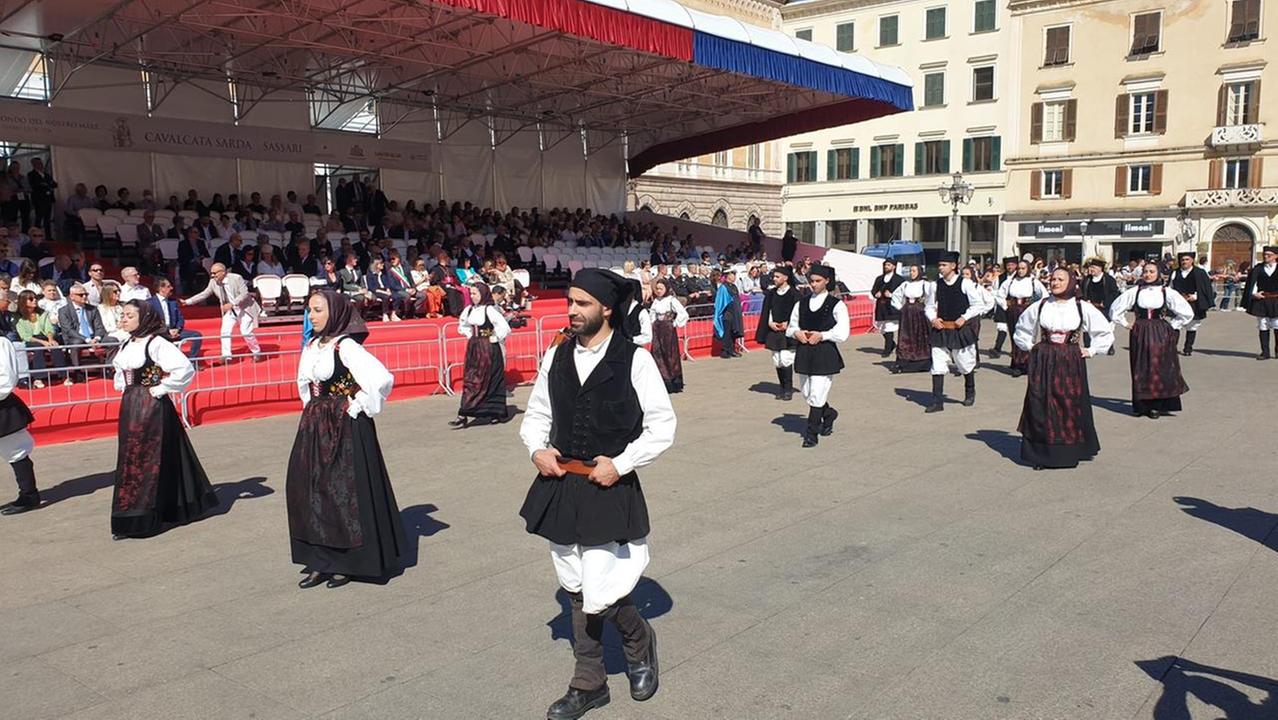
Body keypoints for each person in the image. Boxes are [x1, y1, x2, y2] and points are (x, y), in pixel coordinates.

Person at [518, 268, 674, 719]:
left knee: (602, 586)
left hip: (609, 483)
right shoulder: (557, 356)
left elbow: (663, 425)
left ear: (606, 308)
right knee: (574, 583)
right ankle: (591, 684)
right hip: (560, 484)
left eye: (582, 303)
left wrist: (621, 463)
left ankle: (637, 644)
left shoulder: (635, 359)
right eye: (570, 301)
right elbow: (537, 416)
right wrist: (536, 450)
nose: (572, 309)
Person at [288, 290, 403, 588]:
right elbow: (306, 385)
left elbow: (381, 379)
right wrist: (313, 412)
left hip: (345, 426)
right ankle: (319, 558)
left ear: (335, 312)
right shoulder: (312, 345)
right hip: (315, 425)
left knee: (344, 490)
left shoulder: (345, 346)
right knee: (312, 489)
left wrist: (355, 405)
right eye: (309, 310)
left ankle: (347, 560)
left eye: (317, 310)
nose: (311, 316)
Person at [110, 300, 217, 539]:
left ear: (144, 318)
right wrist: (124, 385)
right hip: (130, 404)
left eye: (129, 315)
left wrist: (160, 388)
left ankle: (147, 516)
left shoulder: (155, 343)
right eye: (123, 314)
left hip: (150, 405)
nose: (124, 318)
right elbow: (122, 373)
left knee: (149, 459)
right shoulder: (127, 342)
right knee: (131, 457)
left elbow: (184, 369)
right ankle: (131, 514)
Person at [1013, 268, 1113, 470]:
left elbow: (1104, 331)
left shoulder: (1081, 306)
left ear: (1071, 282)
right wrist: (1031, 346)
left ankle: (1067, 452)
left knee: (1068, 403)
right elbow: (1021, 329)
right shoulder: (1040, 305)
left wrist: (1092, 350)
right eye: (1053, 279)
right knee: (1040, 403)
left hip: (1070, 360)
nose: (1055, 282)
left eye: (1060, 279)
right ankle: (1041, 454)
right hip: (1044, 359)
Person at [1110, 263, 1194, 419]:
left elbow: (1186, 312)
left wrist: (1173, 325)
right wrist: (1126, 323)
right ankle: (1143, 405)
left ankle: (1159, 404)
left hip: (1160, 332)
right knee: (1141, 366)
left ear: (1158, 273)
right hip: (1140, 331)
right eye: (1145, 272)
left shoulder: (1165, 292)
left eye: (1151, 271)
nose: (1148, 274)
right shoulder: (1135, 291)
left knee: (1160, 366)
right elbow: (1115, 309)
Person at [786, 265, 849, 448]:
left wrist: (823, 335)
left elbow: (843, 331)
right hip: (805, 351)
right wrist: (796, 333)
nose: (813, 284)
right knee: (807, 393)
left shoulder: (836, 304)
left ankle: (811, 433)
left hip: (824, 352)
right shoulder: (801, 303)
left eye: (817, 281)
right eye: (811, 281)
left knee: (816, 394)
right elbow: (792, 326)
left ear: (826, 281)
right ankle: (828, 414)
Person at [924, 252, 987, 413]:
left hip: (959, 329)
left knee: (965, 363)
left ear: (953, 266)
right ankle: (937, 401)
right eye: (939, 265)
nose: (941, 268)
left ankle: (970, 392)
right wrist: (933, 319)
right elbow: (929, 306)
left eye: (944, 265)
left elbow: (978, 305)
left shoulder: (965, 283)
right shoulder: (935, 285)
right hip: (941, 329)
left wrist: (964, 317)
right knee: (938, 363)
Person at [450, 283, 510, 427]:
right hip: (474, 347)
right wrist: (471, 335)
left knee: (490, 379)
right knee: (471, 378)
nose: (472, 296)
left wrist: (493, 338)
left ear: (483, 294)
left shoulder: (489, 310)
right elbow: (463, 326)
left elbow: (503, 327)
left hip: (488, 348)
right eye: (471, 294)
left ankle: (495, 412)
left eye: (475, 293)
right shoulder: (469, 310)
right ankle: (463, 413)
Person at [180, 263, 263, 363]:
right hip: (229, 311)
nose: (212, 276)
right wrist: (188, 301)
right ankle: (226, 356)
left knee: (245, 332)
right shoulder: (213, 282)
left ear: (223, 272)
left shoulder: (236, 278)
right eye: (211, 273)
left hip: (244, 308)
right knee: (225, 331)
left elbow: (244, 294)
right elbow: (204, 294)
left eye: (215, 273)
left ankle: (256, 352)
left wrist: (232, 304)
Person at [0, 336, 38, 515]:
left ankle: (29, 495)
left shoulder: (1, 343)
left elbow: (7, 379)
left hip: (2, 406)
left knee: (16, 451)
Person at [754, 265, 799, 399]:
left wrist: (788, 324)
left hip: (788, 331)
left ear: (785, 278)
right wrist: (770, 323)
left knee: (786, 359)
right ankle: (782, 387)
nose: (774, 279)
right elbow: (768, 310)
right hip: (774, 330)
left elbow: (797, 312)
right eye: (774, 276)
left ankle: (788, 389)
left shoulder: (794, 293)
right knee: (777, 360)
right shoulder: (771, 294)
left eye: (777, 277)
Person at [995, 260, 1046, 377]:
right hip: (1013, 310)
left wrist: (1036, 308)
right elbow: (999, 295)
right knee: (1015, 336)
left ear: (1028, 269)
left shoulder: (1033, 281)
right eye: (1019, 268)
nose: (1021, 271)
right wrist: (1005, 306)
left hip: (1027, 310)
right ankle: (1017, 364)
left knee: (1028, 335)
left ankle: (1027, 363)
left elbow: (1045, 296)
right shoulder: (1010, 281)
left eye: (1023, 268)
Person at [14, 290, 68, 389]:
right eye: (31, 299)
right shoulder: (18, 317)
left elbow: (49, 328)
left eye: (35, 298)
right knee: (38, 347)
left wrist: (50, 339)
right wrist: (43, 342)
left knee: (55, 346)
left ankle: (64, 376)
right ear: (23, 301)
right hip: (30, 340)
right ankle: (38, 378)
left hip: (44, 337)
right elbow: (24, 335)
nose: (35, 300)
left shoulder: (43, 313)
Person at [1168, 252, 1214, 356]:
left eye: (1187, 259)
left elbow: (1205, 288)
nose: (1184, 262)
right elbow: (1170, 287)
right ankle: (1172, 348)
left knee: (1192, 326)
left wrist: (1195, 297)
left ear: (1192, 260)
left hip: (1194, 303)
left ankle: (1188, 348)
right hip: (1178, 303)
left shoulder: (1200, 272)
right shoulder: (1175, 273)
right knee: (1175, 325)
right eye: (1183, 260)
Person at [889, 264, 932, 374]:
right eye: (910, 271)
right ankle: (904, 363)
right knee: (906, 336)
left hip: (920, 313)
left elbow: (931, 298)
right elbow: (895, 296)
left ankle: (923, 363)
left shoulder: (926, 285)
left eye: (914, 271)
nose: (911, 273)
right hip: (907, 313)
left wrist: (927, 310)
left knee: (920, 336)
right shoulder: (905, 284)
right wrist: (901, 308)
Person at [647, 278, 688, 393]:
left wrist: (674, 323)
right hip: (657, 329)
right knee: (657, 353)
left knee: (670, 354)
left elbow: (683, 313)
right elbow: (652, 314)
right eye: (657, 289)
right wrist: (652, 324)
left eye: (661, 289)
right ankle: (661, 380)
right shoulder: (656, 301)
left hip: (668, 329)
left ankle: (672, 380)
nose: (659, 291)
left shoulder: (671, 300)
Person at [149, 277, 203, 359]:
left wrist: (177, 329)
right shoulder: (150, 303)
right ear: (161, 288)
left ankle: (192, 360)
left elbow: (180, 318)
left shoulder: (172, 302)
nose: (172, 288)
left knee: (197, 335)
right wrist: (166, 331)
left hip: (174, 330)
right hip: (160, 333)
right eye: (168, 286)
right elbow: (150, 323)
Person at [1241, 245, 1278, 359]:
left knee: (1277, 325)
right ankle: (1265, 352)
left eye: (1269, 255)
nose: (1266, 257)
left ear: (1276, 256)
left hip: (1276, 300)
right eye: (1265, 255)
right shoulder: (1258, 268)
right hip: (1262, 300)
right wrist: (1254, 294)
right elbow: (1252, 283)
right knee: (1263, 325)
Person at [1081, 259, 1121, 356]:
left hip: (1104, 308)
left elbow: (1115, 293)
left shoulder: (1108, 279)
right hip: (1090, 307)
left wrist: (1106, 303)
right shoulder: (1087, 279)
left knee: (1104, 328)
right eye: (1090, 267)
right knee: (1087, 327)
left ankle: (1108, 347)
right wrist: (1085, 301)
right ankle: (1088, 347)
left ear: (1100, 268)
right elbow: (1082, 292)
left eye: (1093, 267)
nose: (1091, 269)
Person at [870, 259, 904, 357]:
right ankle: (892, 344)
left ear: (894, 266)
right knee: (881, 328)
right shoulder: (879, 278)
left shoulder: (899, 280)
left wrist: (892, 295)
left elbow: (902, 292)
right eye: (885, 265)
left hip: (892, 307)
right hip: (881, 306)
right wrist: (876, 294)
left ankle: (887, 349)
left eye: (888, 265)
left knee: (889, 328)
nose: (886, 267)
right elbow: (874, 289)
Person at [712, 269, 743, 359]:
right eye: (732, 274)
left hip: (735, 313)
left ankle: (732, 349)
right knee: (727, 332)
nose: (734, 276)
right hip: (727, 313)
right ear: (728, 276)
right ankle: (725, 350)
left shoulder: (734, 286)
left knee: (734, 331)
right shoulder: (723, 287)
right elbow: (720, 302)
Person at [623, 279, 653, 347]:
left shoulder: (641, 312)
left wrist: (631, 339)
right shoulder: (619, 310)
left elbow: (647, 337)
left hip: (635, 348)